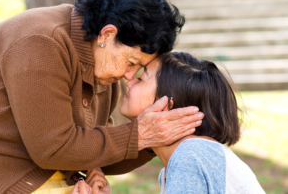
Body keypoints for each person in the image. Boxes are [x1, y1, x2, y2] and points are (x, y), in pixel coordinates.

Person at [0, 0, 204, 193]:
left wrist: (157, 137)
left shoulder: (102, 63)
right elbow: (52, 147)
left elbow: (97, 146)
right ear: (107, 34)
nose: (131, 76)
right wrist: (141, 135)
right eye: (131, 62)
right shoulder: (41, 43)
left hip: (33, 167)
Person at [75, 52, 265, 194]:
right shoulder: (189, 156)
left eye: (141, 78)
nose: (130, 80)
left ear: (165, 105)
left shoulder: (190, 157)